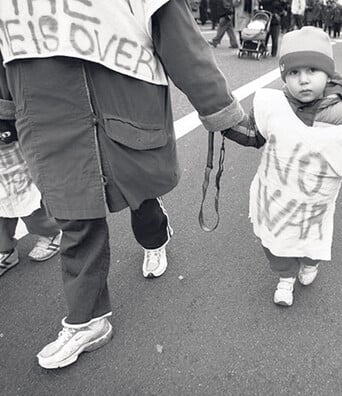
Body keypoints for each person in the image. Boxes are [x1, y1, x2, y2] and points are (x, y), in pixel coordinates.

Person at [0, 0, 245, 368]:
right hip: (49, 122)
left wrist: (220, 111)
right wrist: (4, 112)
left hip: (123, 114)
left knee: (141, 200)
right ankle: (88, 320)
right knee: (75, 222)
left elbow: (182, 43)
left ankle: (156, 238)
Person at [223, 27, 342, 306]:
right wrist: (225, 124)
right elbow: (255, 135)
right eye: (293, 73)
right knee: (274, 241)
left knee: (311, 240)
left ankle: (309, 263)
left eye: (313, 70)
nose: (303, 80)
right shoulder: (273, 105)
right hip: (276, 197)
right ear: (284, 76)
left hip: (314, 203)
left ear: (328, 74)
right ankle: (285, 277)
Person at [0, 101, 62, 276]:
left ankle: (51, 233)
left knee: (30, 207)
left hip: (13, 157)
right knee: (2, 215)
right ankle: (5, 250)